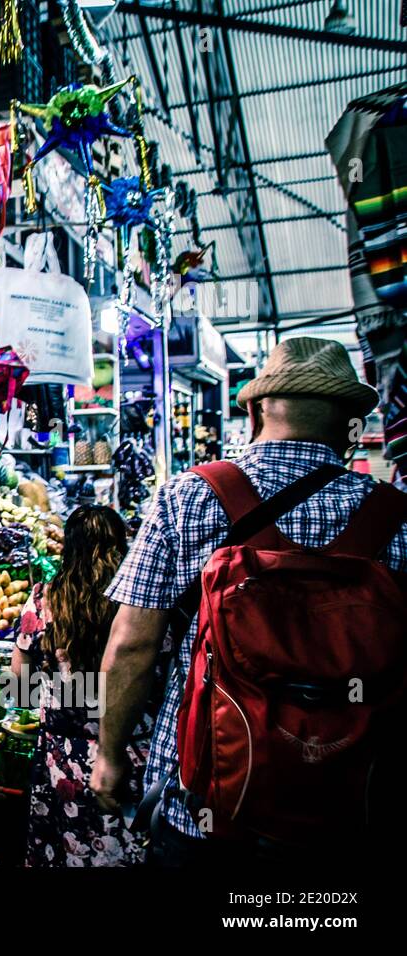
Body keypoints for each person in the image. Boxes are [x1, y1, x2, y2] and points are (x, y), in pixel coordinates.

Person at [92, 336, 407, 864]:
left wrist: (109, 756)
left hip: (205, 803)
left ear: (257, 410)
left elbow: (131, 646)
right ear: (349, 422)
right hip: (350, 805)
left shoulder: (189, 495)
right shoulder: (395, 516)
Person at [12, 504, 151, 866]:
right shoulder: (139, 602)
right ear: (123, 544)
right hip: (129, 752)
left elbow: (21, 684)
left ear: (67, 548)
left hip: (65, 758)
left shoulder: (44, 600)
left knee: (67, 851)